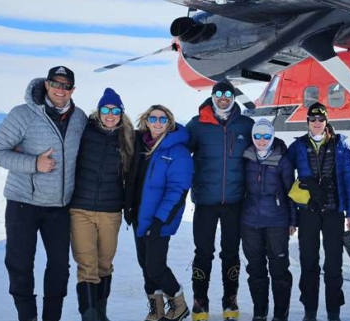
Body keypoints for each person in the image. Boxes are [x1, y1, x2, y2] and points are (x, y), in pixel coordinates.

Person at [0, 66, 87, 321]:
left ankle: (52, 317)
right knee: (20, 265)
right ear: (46, 85)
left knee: (59, 267)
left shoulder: (79, 118)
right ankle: (27, 316)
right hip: (23, 203)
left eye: (66, 86)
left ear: (72, 90)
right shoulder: (23, 114)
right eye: (55, 83)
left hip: (60, 205)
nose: (60, 90)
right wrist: (34, 164)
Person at [186, 81, 254, 321]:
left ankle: (230, 300)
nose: (223, 98)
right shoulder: (197, 125)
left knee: (231, 253)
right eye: (219, 94)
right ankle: (200, 301)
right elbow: (181, 154)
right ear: (212, 96)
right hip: (205, 201)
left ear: (233, 97)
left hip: (235, 201)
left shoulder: (246, 124)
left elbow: (259, 155)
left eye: (228, 94)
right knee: (203, 252)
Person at [286, 102, 350, 321]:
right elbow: (286, 180)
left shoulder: (340, 146)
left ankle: (333, 313)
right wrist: (291, 218)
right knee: (309, 262)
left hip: (334, 211)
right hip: (307, 212)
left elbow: (349, 179)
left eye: (320, 119)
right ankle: (310, 312)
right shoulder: (297, 147)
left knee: (334, 264)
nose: (317, 123)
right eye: (312, 119)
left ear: (326, 121)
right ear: (307, 122)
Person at [68, 88, 134, 321]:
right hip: (80, 209)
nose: (110, 114)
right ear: (99, 111)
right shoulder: (85, 130)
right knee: (87, 265)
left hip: (111, 211)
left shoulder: (127, 137)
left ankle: (101, 315)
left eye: (115, 110)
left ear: (121, 113)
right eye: (106, 109)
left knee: (104, 265)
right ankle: (89, 316)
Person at [124, 104, 194, 321]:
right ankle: (157, 311)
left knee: (155, 267)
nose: (157, 123)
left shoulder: (178, 151)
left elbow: (177, 190)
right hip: (139, 216)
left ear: (169, 122)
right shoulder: (140, 145)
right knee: (146, 267)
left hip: (159, 219)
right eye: (153, 118)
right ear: (146, 120)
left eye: (162, 119)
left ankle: (179, 304)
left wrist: (159, 221)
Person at [241, 119, 296, 321]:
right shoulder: (245, 157)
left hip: (277, 222)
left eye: (266, 136)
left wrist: (292, 220)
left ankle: (280, 314)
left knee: (279, 269)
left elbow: (291, 191)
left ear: (272, 136)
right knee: (255, 268)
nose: (262, 140)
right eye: (257, 136)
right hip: (249, 222)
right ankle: (260, 312)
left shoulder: (282, 159)